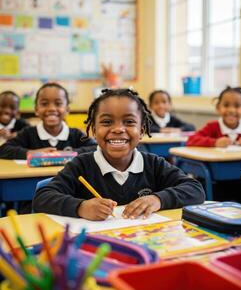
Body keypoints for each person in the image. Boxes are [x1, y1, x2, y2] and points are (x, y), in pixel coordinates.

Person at [33, 88, 205, 220]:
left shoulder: (153, 164)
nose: (117, 129)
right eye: (107, 122)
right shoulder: (81, 165)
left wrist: (158, 199)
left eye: (129, 122)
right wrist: (80, 207)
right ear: (94, 130)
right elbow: (42, 197)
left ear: (142, 130)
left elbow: (195, 189)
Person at [0, 83, 96, 159]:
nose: (51, 108)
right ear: (36, 110)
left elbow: (96, 147)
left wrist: (68, 153)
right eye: (44, 104)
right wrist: (34, 153)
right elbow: (4, 150)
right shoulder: (28, 133)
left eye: (58, 103)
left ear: (67, 110)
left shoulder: (75, 134)